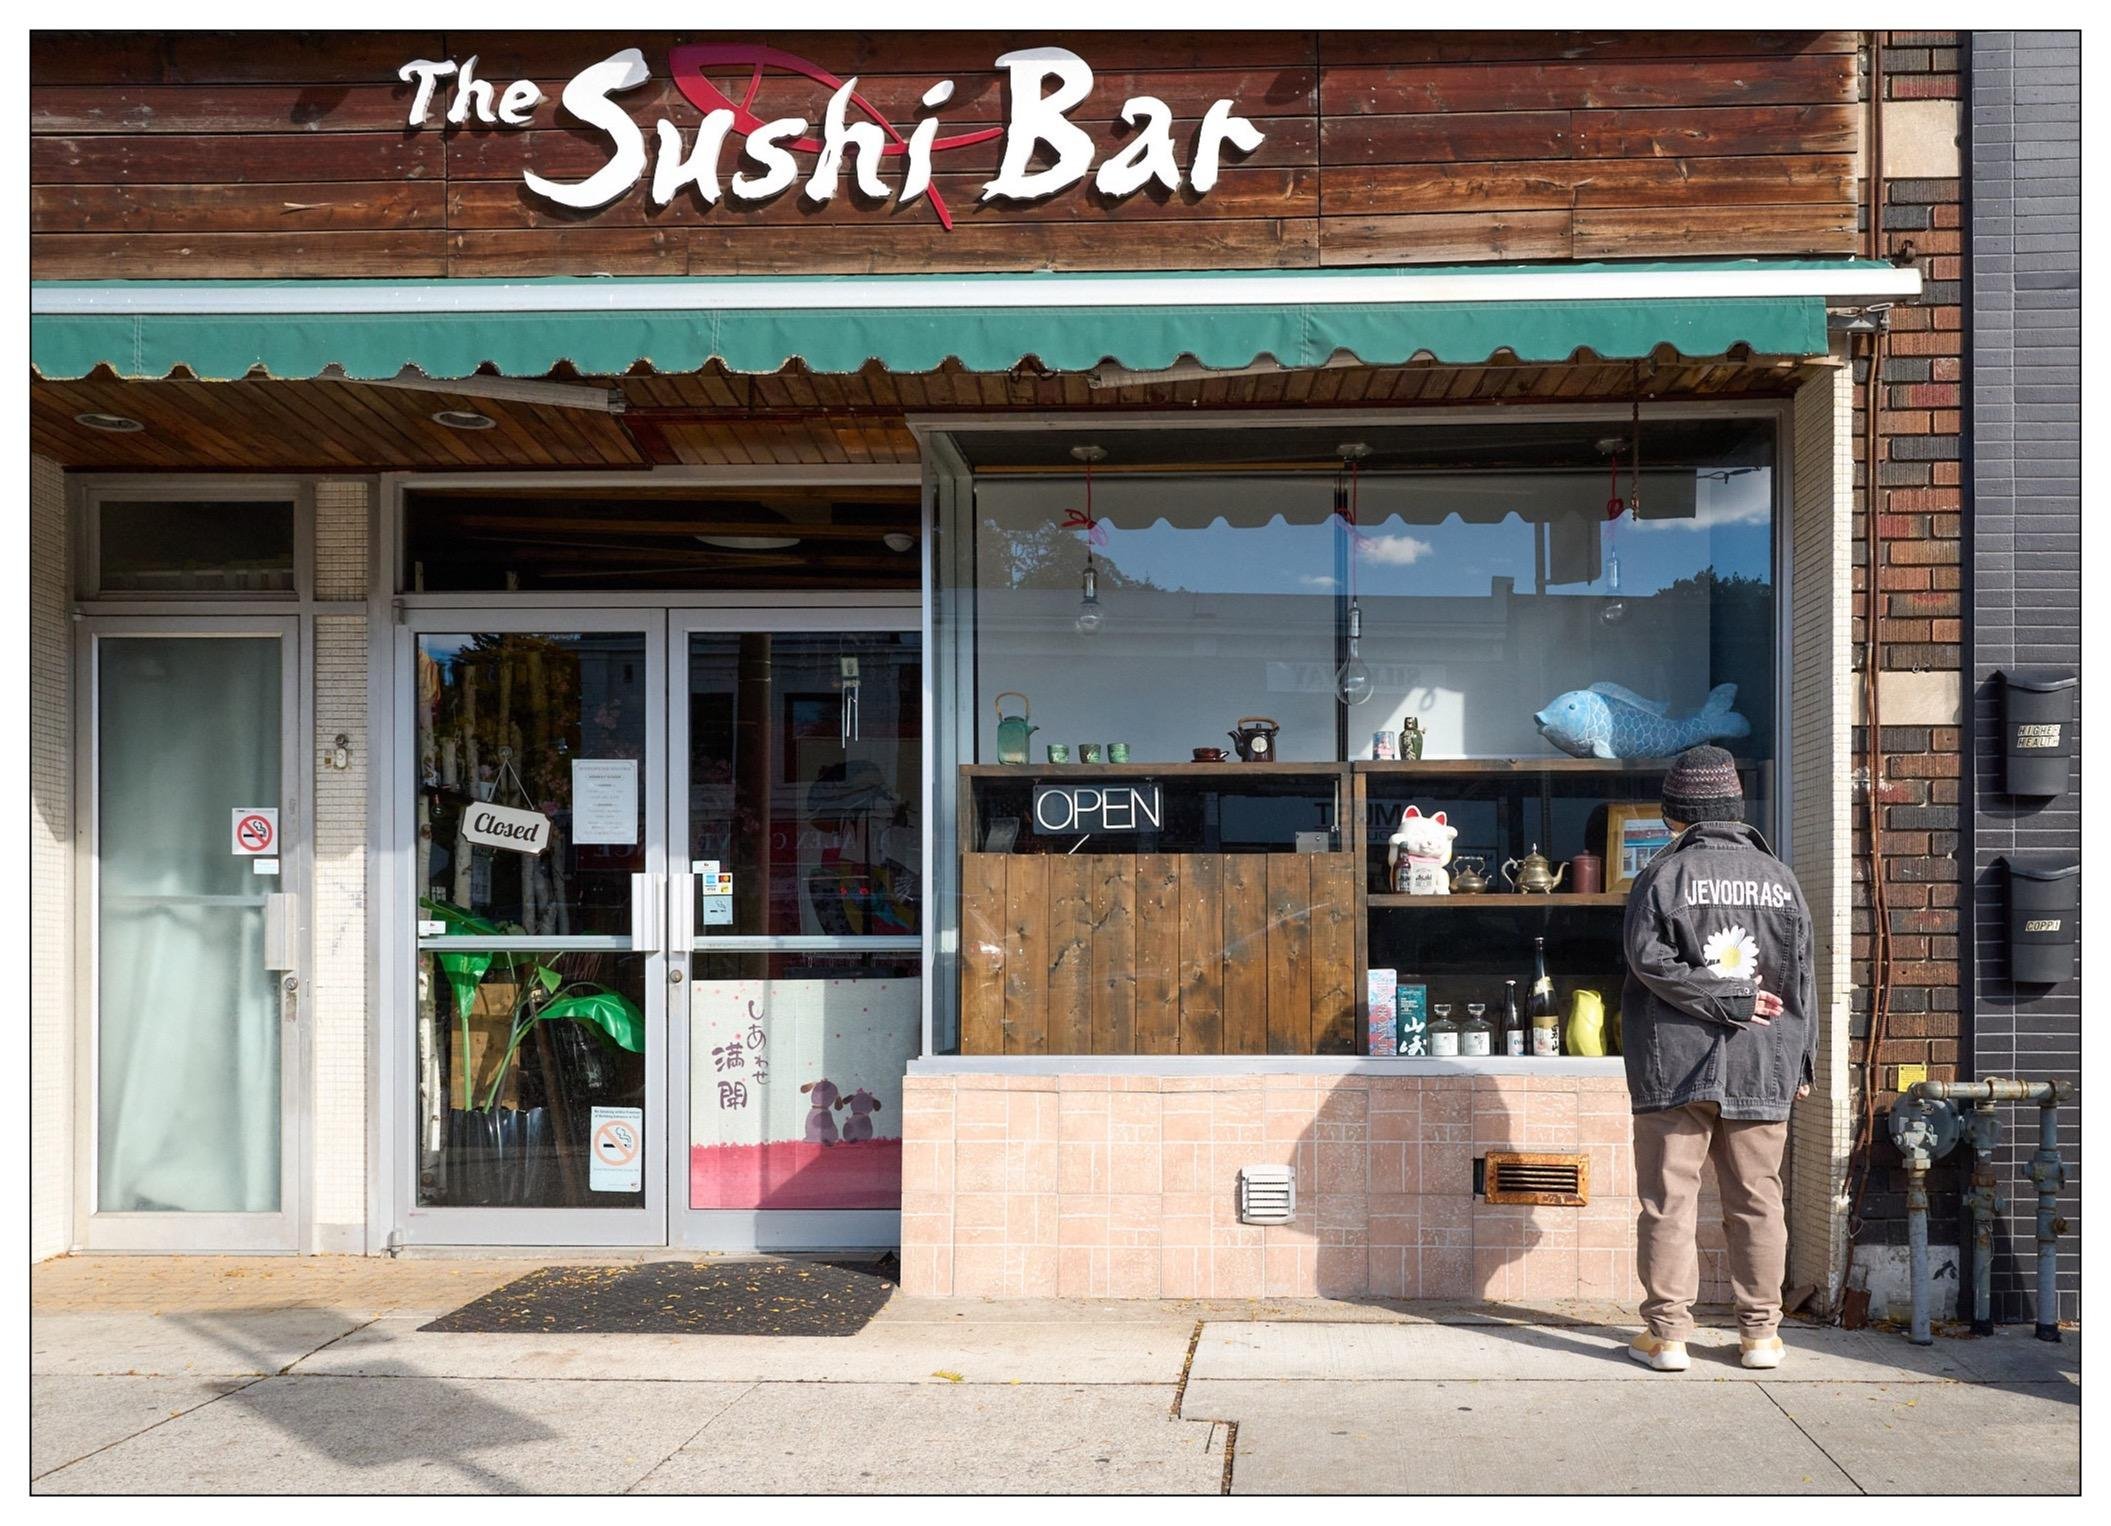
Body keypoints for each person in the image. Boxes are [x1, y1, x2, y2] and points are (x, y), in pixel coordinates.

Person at [1619, 745, 1815, 1372]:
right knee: (1759, 1199)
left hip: (1674, 1061)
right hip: (1764, 1059)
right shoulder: (1780, 876)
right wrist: (1801, 1063)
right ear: (1733, 807)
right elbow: (1801, 978)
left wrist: (1725, 995)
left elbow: (1649, 961)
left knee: (1668, 1201)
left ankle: (1669, 1336)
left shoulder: (1662, 875)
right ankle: (1761, 1336)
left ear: (1676, 812)